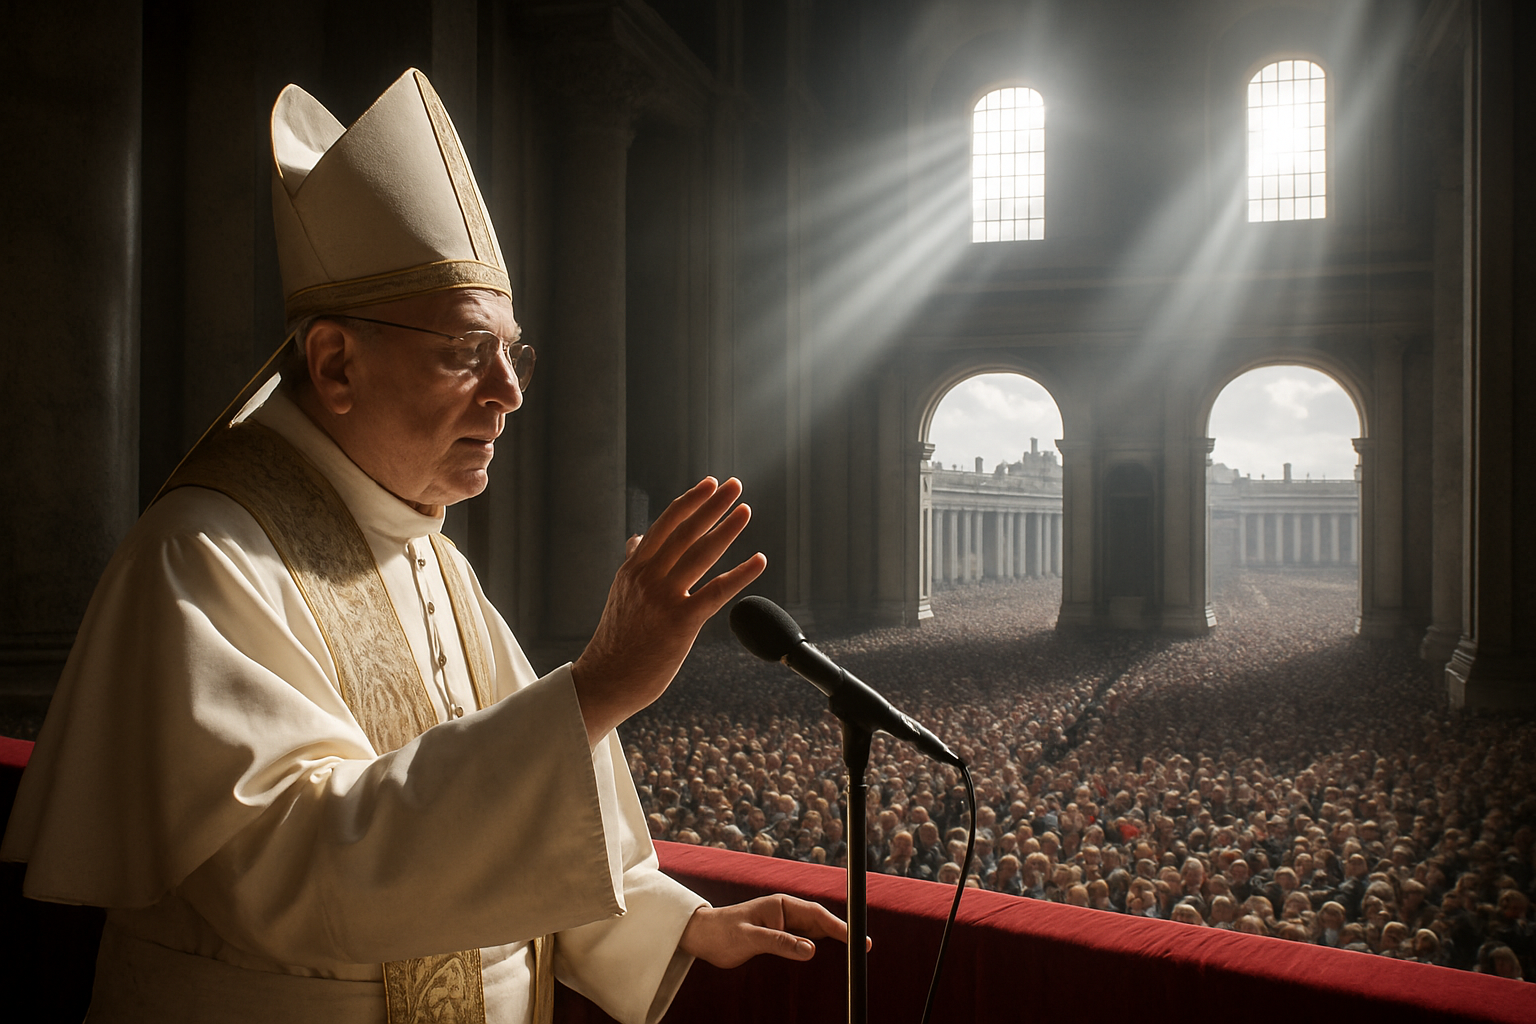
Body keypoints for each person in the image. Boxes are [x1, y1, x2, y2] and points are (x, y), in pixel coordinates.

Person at [0, 70, 850, 1024]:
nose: (508, 392)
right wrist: (601, 684)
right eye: (462, 351)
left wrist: (669, 920)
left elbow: (507, 819)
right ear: (334, 364)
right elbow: (296, 867)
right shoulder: (205, 555)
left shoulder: (431, 557)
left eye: (512, 354)